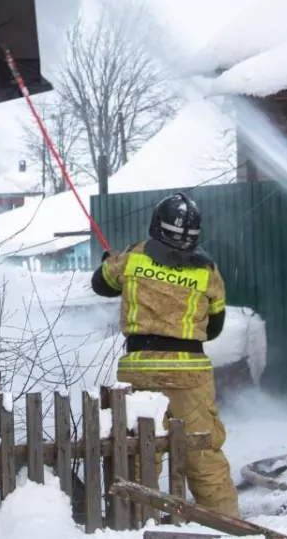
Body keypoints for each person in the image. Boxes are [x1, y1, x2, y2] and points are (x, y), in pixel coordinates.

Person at [90, 192, 239, 518]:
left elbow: (100, 283)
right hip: (190, 376)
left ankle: (137, 522)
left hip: (141, 370)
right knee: (203, 452)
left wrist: (109, 260)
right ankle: (225, 524)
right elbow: (214, 328)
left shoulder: (133, 257)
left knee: (141, 452)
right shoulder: (207, 270)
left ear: (157, 224)